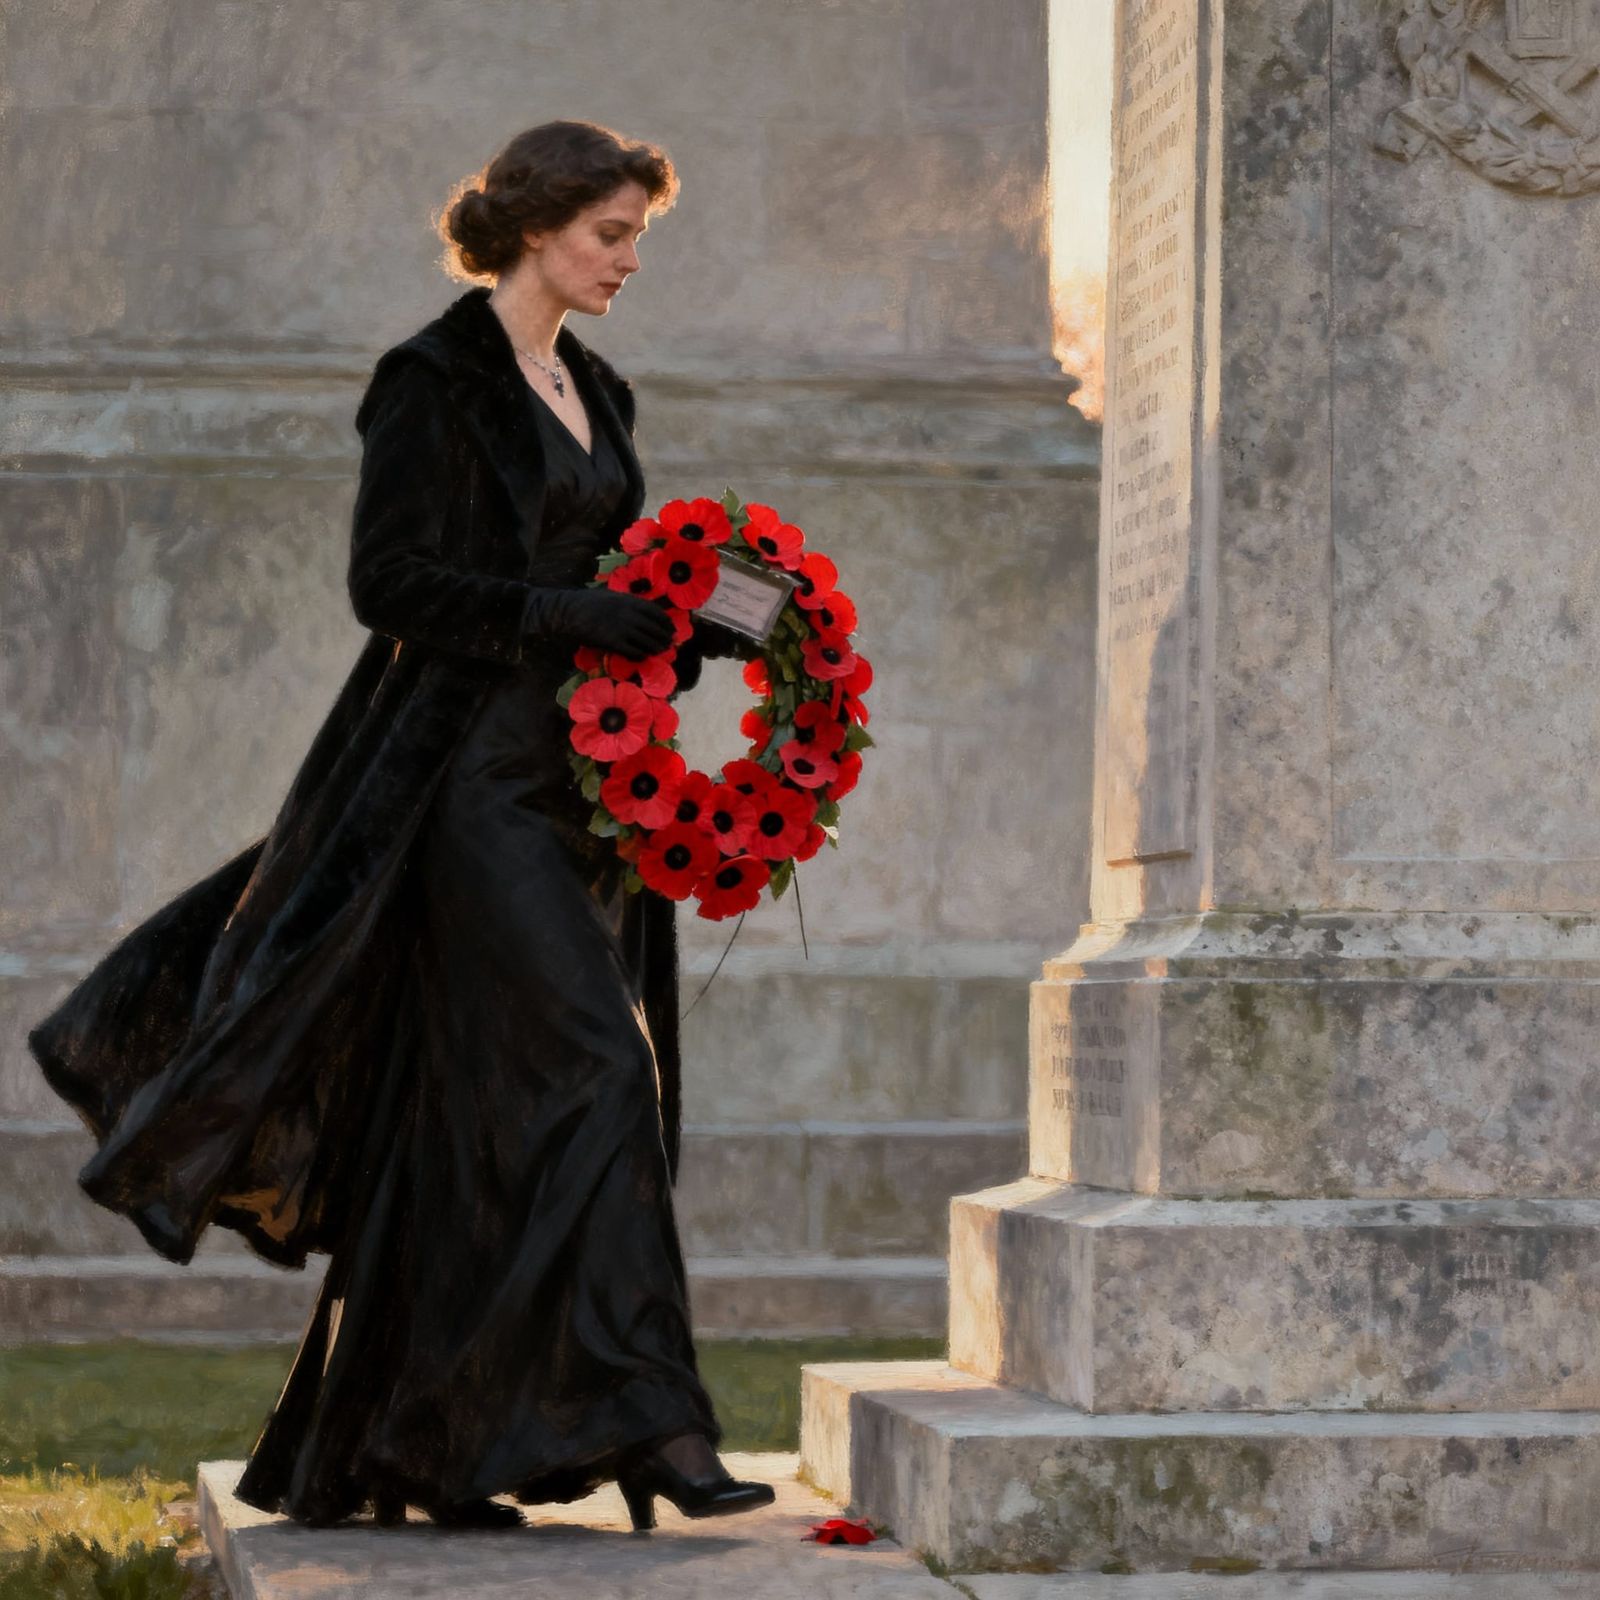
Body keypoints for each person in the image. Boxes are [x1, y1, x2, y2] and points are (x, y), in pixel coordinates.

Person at [27, 119, 771, 1533]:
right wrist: (567, 614)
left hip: (579, 791)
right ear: (537, 225)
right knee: (607, 1072)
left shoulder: (599, 390)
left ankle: (412, 1454)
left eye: (636, 240)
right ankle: (659, 1429)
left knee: (471, 1120)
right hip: (461, 787)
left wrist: (682, 638)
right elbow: (394, 585)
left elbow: (598, 583)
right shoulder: (431, 381)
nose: (627, 262)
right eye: (610, 234)